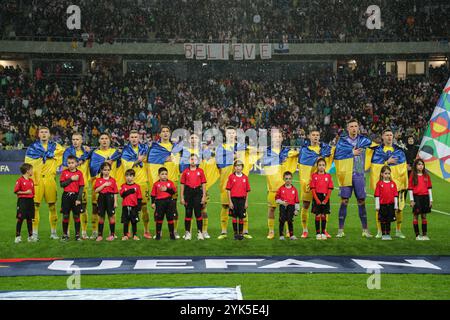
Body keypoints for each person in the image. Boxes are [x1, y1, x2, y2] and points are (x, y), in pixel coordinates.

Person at [334, 119, 374, 238]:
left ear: (358, 128)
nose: (354, 128)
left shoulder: (363, 140)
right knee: (344, 201)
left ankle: (365, 230)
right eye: (351, 126)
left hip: (359, 173)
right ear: (348, 128)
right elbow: (337, 154)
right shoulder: (342, 141)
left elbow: (375, 148)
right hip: (346, 173)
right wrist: (351, 152)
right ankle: (340, 230)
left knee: (361, 201)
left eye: (356, 126)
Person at [25, 126, 65, 240]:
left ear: (49, 134)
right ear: (38, 134)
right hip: (36, 180)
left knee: (52, 206)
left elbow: (66, 155)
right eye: (41, 132)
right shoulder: (32, 148)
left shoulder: (56, 147)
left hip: (49, 179)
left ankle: (53, 233)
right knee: (35, 206)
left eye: (45, 132)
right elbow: (27, 166)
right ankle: (34, 234)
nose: (43, 134)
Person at [216, 127, 255, 239]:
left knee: (243, 208)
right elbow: (218, 161)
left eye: (233, 133)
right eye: (229, 133)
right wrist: (231, 156)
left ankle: (245, 231)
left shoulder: (242, 147)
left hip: (240, 183)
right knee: (225, 206)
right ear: (225, 134)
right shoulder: (221, 148)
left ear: (236, 135)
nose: (231, 134)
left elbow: (254, 151)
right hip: (226, 181)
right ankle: (223, 232)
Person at [179, 133, 219, 239]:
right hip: (189, 185)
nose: (193, 140)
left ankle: (203, 231)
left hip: (202, 183)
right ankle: (189, 232)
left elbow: (210, 161)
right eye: (191, 138)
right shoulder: (185, 151)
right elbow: (183, 167)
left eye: (195, 138)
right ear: (189, 139)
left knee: (203, 208)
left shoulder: (203, 150)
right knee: (189, 210)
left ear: (199, 140)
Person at [370, 129, 408, 239]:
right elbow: (375, 170)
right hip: (383, 187)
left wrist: (403, 185)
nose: (389, 137)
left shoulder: (399, 151)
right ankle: (380, 231)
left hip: (397, 186)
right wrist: (387, 162)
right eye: (387, 135)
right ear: (382, 136)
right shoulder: (378, 151)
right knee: (380, 209)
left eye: (391, 135)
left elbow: (403, 170)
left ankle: (398, 230)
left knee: (399, 209)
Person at [262, 129, 298, 240]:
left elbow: (301, 153)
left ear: (282, 138)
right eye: (274, 137)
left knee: (287, 211)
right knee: (272, 209)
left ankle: (288, 230)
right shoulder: (267, 153)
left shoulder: (288, 153)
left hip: (286, 189)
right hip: (273, 188)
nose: (276, 139)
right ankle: (271, 231)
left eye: (278, 137)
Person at [298, 129, 333, 238]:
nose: (315, 137)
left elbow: (330, 149)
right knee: (306, 205)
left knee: (323, 207)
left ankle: (324, 230)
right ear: (309, 136)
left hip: (322, 184)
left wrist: (321, 144)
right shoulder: (304, 150)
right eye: (313, 135)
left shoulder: (324, 150)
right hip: (308, 183)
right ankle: (305, 229)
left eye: (317, 135)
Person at [147, 125, 182, 238]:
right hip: (159, 185)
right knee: (157, 210)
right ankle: (159, 232)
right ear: (160, 134)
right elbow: (152, 163)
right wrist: (164, 159)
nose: (165, 133)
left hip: (172, 183)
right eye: (163, 131)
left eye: (167, 131)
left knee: (174, 209)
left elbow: (178, 162)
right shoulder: (156, 147)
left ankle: (175, 231)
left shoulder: (175, 147)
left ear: (170, 134)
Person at [89, 133, 121, 239]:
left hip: (111, 187)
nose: (104, 140)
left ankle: (112, 233)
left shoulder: (115, 153)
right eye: (102, 138)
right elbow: (93, 168)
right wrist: (104, 162)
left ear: (109, 140)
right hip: (98, 185)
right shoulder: (95, 153)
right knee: (96, 209)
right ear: (99, 140)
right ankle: (95, 231)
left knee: (112, 212)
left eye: (106, 138)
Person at [120, 130, 150, 238]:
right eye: (132, 137)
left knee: (144, 208)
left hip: (142, 183)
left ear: (139, 138)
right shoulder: (126, 151)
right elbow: (127, 167)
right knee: (128, 208)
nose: (134, 139)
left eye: (135, 137)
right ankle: (127, 233)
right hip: (130, 184)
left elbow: (149, 161)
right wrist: (138, 160)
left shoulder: (145, 149)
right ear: (129, 139)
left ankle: (146, 231)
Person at [62, 132, 91, 239]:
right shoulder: (68, 152)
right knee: (67, 211)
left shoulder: (87, 151)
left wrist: (88, 153)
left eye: (77, 139)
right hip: (70, 186)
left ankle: (83, 232)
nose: (75, 141)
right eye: (73, 139)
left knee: (83, 209)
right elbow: (65, 167)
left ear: (81, 140)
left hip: (83, 186)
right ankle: (67, 232)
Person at [180, 154, 207, 240]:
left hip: (197, 193)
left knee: (198, 213)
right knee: (188, 213)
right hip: (188, 193)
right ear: (189, 161)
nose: (193, 161)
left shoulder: (201, 171)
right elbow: (182, 185)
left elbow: (203, 184)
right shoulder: (185, 172)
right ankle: (188, 233)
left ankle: (200, 232)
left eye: (195, 159)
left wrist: (204, 196)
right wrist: (182, 197)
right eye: (191, 159)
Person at [59, 155, 85, 241]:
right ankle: (65, 234)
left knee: (76, 215)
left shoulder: (79, 173)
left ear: (76, 163)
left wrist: (78, 199)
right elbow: (62, 184)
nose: (70, 165)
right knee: (65, 215)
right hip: (66, 196)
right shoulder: (64, 172)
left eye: (72, 163)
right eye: (69, 163)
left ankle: (77, 235)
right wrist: (71, 179)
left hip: (76, 196)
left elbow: (81, 187)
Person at [226, 160, 251, 240]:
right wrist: (230, 201)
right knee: (234, 217)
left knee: (241, 217)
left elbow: (247, 191)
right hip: (233, 199)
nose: (238, 167)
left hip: (242, 200)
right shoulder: (231, 177)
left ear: (242, 167)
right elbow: (228, 190)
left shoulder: (245, 177)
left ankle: (241, 234)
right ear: (234, 167)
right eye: (236, 166)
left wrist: (246, 202)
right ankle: (235, 234)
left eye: (239, 166)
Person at [93, 162, 119, 241]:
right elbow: (96, 190)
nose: (106, 172)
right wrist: (104, 185)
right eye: (105, 170)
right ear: (101, 171)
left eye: (108, 170)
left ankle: (112, 234)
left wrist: (115, 202)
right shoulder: (98, 180)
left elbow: (115, 193)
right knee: (101, 217)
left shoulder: (113, 180)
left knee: (111, 216)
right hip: (101, 198)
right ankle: (100, 235)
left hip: (110, 199)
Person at [409, 159, 433, 240]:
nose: (421, 166)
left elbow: (429, 188)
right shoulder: (413, 175)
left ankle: (424, 235)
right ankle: (417, 235)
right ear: (415, 166)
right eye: (419, 164)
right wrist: (412, 200)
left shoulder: (426, 175)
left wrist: (431, 200)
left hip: (425, 198)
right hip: (416, 197)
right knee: (416, 216)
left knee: (424, 216)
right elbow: (410, 188)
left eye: (422, 164)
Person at [310, 158, 334, 240]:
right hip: (317, 197)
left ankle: (323, 233)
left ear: (325, 167)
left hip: (325, 198)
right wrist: (316, 200)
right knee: (318, 215)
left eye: (323, 165)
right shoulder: (314, 176)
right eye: (319, 165)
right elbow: (312, 189)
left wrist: (326, 199)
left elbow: (330, 189)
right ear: (317, 166)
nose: (321, 167)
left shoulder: (328, 176)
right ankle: (317, 233)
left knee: (324, 215)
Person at [151, 167, 177, 240]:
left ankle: (172, 235)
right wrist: (153, 203)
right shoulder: (156, 184)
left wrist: (167, 189)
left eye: (166, 174)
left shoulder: (170, 183)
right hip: (159, 203)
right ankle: (158, 235)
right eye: (162, 174)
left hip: (169, 202)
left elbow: (173, 192)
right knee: (159, 219)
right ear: (159, 175)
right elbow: (153, 195)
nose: (164, 175)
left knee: (170, 219)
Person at [374, 166, 398, 241]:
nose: (387, 175)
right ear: (381, 174)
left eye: (389, 173)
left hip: (390, 205)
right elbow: (377, 195)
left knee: (388, 220)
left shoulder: (393, 184)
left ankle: (388, 234)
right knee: (383, 220)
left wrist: (396, 205)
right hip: (382, 205)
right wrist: (377, 206)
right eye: (385, 173)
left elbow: (395, 195)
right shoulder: (379, 184)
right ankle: (383, 234)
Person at [14, 163, 36, 243]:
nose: (32, 171)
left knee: (30, 219)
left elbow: (33, 193)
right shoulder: (19, 180)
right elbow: (16, 191)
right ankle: (17, 236)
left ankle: (30, 236)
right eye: (31, 169)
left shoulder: (31, 181)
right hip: (22, 201)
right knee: (20, 219)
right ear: (27, 171)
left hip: (30, 201)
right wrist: (26, 192)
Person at [275, 171, 300, 240]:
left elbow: (297, 201)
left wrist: (296, 210)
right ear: (283, 179)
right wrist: (282, 202)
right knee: (282, 220)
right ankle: (281, 235)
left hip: (291, 207)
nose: (288, 180)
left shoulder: (294, 190)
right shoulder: (281, 189)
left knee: (290, 220)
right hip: (283, 206)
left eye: (289, 178)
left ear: (292, 179)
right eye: (286, 178)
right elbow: (276, 199)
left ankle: (291, 235)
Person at [119, 169, 142, 241]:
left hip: (134, 207)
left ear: (134, 177)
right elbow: (122, 194)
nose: (129, 177)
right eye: (127, 176)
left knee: (134, 222)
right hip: (125, 206)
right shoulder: (123, 186)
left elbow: (139, 198)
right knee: (126, 222)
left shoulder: (137, 186)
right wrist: (130, 191)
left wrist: (139, 208)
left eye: (131, 176)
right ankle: (125, 235)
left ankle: (134, 235)